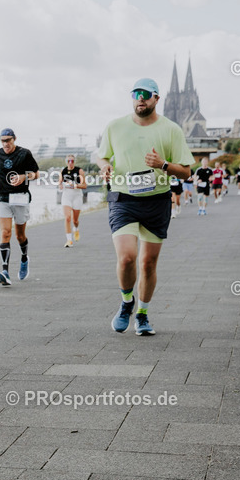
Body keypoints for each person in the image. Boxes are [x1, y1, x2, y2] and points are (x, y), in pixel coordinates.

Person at [99, 78, 194, 336]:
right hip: (123, 198)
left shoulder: (171, 129)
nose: (140, 98)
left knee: (148, 264)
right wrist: (104, 166)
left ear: (156, 98)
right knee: (127, 257)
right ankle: (126, 302)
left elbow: (186, 172)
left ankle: (142, 314)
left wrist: (163, 164)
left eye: (146, 94)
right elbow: (102, 154)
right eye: (135, 94)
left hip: (156, 200)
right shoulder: (115, 126)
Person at [0, 128, 39, 284]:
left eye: (8, 140)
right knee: (5, 232)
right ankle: (5, 271)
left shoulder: (24, 153)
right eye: (3, 141)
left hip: (20, 197)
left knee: (19, 236)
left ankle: (24, 258)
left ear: (14, 139)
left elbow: (36, 173)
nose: (5, 144)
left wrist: (24, 176)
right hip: (3, 197)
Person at [58, 154, 87, 247]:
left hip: (77, 196)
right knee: (67, 218)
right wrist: (61, 185)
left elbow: (84, 185)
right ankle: (69, 240)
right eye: (68, 161)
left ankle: (76, 228)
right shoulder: (63, 171)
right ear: (66, 162)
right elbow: (60, 183)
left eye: (72, 161)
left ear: (74, 162)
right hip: (66, 196)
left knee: (75, 220)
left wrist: (75, 185)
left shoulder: (79, 171)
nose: (70, 163)